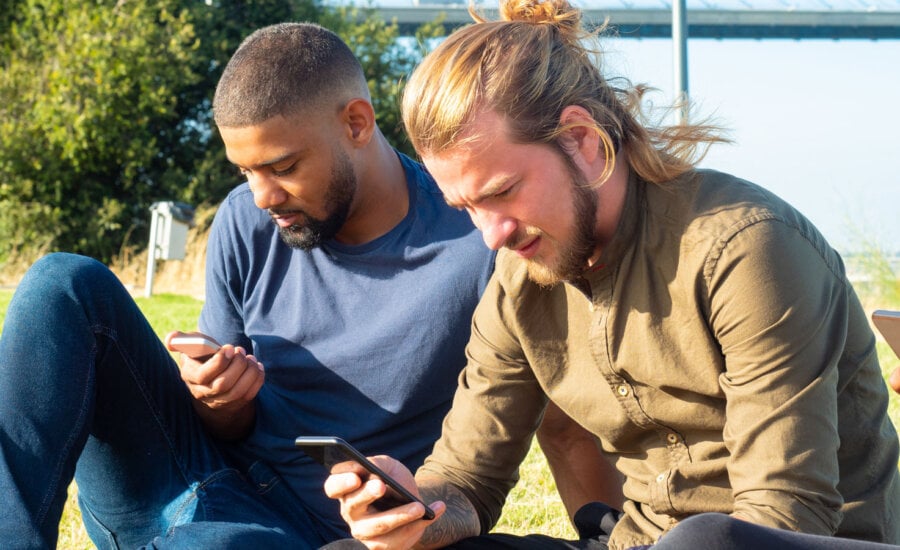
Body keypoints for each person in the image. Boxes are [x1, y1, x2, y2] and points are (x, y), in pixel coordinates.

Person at [324, 1, 900, 549]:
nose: (491, 234)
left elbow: (785, 514)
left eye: (501, 193)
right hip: (641, 540)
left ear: (583, 142)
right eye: (466, 208)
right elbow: (466, 481)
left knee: (709, 539)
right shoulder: (518, 276)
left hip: (796, 540)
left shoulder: (744, 248)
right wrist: (410, 513)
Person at [0, 22, 502, 548]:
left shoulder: (474, 245)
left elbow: (524, 443)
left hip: (303, 533)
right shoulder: (245, 220)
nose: (262, 197)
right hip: (187, 479)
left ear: (356, 123)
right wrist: (219, 400)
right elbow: (224, 429)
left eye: (282, 167)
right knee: (61, 282)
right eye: (246, 172)